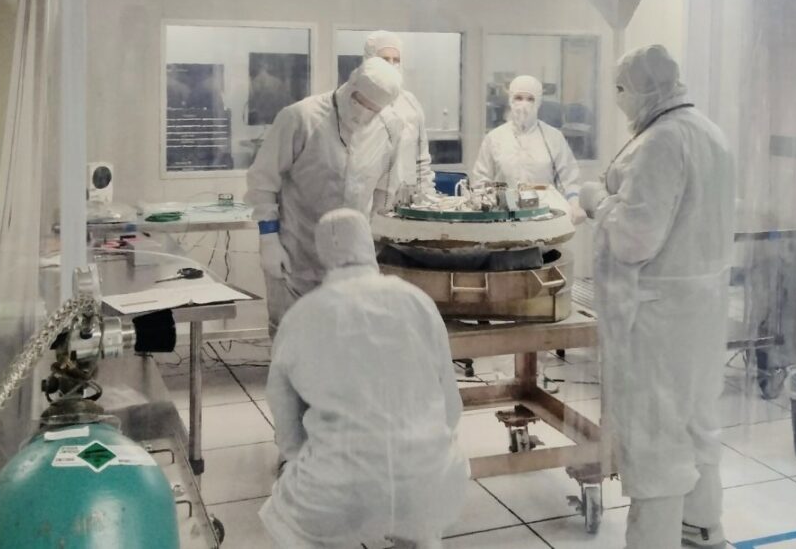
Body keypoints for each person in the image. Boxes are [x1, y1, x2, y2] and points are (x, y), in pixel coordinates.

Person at [579, 45, 734, 549]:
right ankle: (702, 528)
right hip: (701, 313)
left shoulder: (661, 141)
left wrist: (596, 201)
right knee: (696, 425)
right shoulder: (709, 133)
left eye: (621, 90)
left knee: (655, 440)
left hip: (656, 320)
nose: (619, 100)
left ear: (642, 87)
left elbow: (633, 240)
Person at [259, 209, 469, 548]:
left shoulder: (303, 316)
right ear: (368, 246)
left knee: (284, 519)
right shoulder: (417, 302)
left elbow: (284, 415)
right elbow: (450, 407)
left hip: (339, 491)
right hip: (431, 479)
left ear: (322, 254)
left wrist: (299, 460)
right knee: (421, 519)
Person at [246, 57, 402, 335]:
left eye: (373, 109)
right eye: (360, 101)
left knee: (349, 336)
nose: (363, 113)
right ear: (350, 83)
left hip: (353, 258)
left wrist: (378, 239)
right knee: (293, 335)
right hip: (297, 251)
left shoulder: (389, 128)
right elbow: (263, 181)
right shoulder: (301, 118)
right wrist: (268, 240)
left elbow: (384, 190)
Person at [473, 75, 585, 224]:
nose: (523, 104)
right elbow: (481, 181)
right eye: (518, 98)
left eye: (530, 99)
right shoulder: (494, 138)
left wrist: (575, 204)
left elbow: (569, 180)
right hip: (503, 220)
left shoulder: (553, 137)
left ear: (538, 102)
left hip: (545, 218)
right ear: (510, 100)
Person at [363, 30, 436, 207]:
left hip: (408, 202)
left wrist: (427, 199)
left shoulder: (410, 103)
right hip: (368, 203)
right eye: (385, 59)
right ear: (369, 61)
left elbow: (422, 161)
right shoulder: (358, 104)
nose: (392, 65)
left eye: (396, 60)